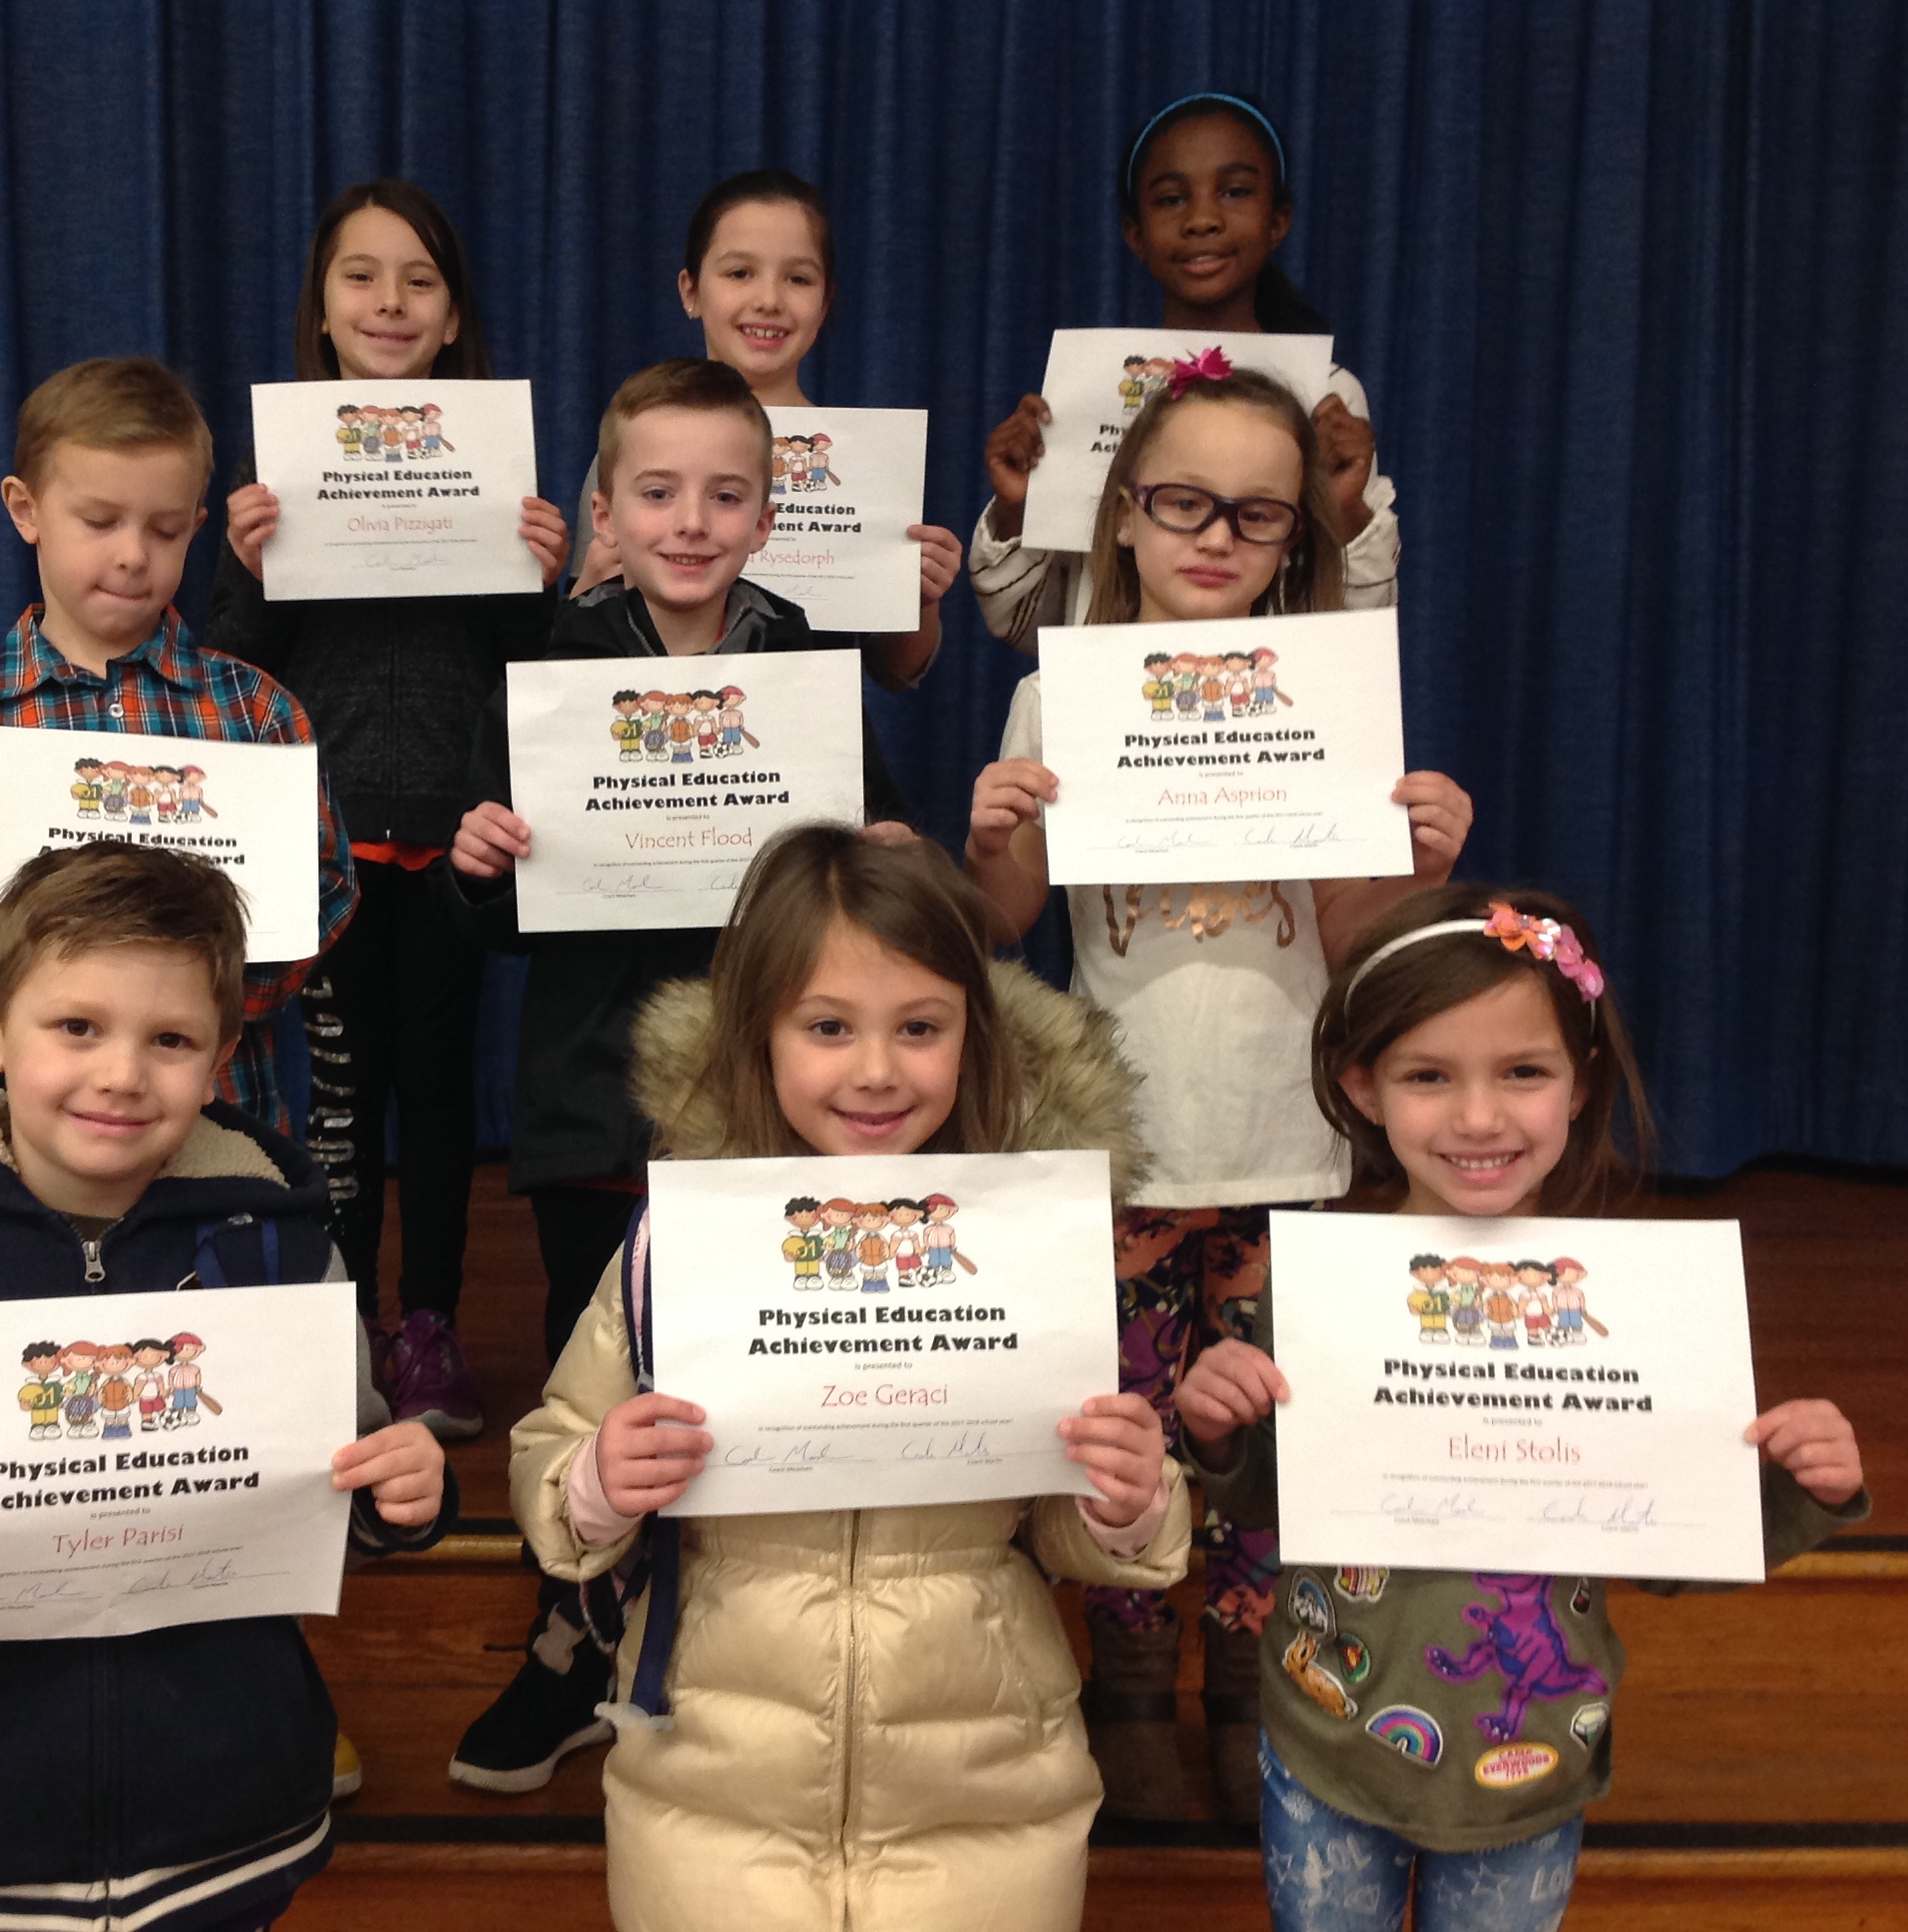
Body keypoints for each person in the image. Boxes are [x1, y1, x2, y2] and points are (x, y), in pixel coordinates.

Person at [0, 841, 453, 1931]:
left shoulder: (284, 1258)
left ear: (220, 1062)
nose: (121, 1072)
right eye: (77, 1026)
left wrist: (400, 1492)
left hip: (227, 1815)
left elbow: (340, 1491)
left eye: (169, 1039)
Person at [512, 825, 1190, 1931]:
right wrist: (594, 1477)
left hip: (986, 1798)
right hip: (711, 1801)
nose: (877, 1069)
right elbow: (551, 1460)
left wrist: (1127, 1502)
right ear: (757, 1036)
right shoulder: (671, 1249)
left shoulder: (1029, 1252)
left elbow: (1065, 1526)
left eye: (920, 1028)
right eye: (828, 1027)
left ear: (974, 1037)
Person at [963, 364, 1473, 1821]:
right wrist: (996, 834)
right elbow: (1001, 924)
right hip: (1122, 1154)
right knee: (1128, 1429)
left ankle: (1253, 1684)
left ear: (1295, 543)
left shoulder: (1326, 698)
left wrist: (1422, 863)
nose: (1215, 536)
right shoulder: (1050, 694)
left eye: (1257, 516)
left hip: (1288, 1150)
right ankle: (1129, 1686)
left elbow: (1366, 935)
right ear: (1123, 515)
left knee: (1264, 1429)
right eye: (1183, 501)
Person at [1178, 884, 1868, 1929]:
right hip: (1329, 1739)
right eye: (1427, 1076)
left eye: (1524, 1072)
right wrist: (1220, 1430)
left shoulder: (1634, 1309)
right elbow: (1285, 1494)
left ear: (1581, 1084)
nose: (1478, 1117)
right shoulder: (1326, 1286)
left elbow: (1673, 1548)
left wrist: (1791, 1487)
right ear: (1364, 1087)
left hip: (1531, 1758)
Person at [444, 358, 919, 1794]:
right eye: (659, 492)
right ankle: (571, 1639)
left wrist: (887, 861)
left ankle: (728, 1629)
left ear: (772, 514)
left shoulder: (806, 671)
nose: (692, 520)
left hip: (775, 1107)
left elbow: (868, 874)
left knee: (759, 1372)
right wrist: (479, 868)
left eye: (727, 493)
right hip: (601, 1099)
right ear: (607, 508)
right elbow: (501, 911)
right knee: (605, 1378)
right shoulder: (551, 664)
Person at [208, 181, 570, 1439]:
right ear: (322, 306)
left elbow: (535, 671)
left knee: (439, 1095)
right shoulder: (285, 482)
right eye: (361, 277)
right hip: (330, 846)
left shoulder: (492, 473)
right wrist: (249, 570)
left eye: (418, 279)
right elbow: (229, 672)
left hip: (455, 847)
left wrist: (542, 579)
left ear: (454, 311)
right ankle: (347, 1323)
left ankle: (430, 1328)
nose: (389, 302)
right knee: (345, 1102)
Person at [0, 355, 357, 1136]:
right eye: (100, 522)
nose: (134, 554)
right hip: (22, 1119)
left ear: (197, 528)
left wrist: (203, 1004)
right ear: (26, 509)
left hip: (218, 1114)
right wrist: (31, 1007)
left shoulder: (259, 713)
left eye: (164, 530)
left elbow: (325, 889)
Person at [973, 91, 1402, 649]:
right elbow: (1025, 628)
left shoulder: (1325, 397)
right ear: (1135, 233)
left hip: (1266, 725)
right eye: (1172, 199)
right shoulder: (1089, 391)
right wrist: (1016, 508)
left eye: (1236, 192)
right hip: (1107, 717)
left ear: (1279, 220)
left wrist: (1346, 511)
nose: (1202, 219)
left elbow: (1356, 641)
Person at [567, 169, 961, 688]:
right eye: (739, 273)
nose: (769, 300)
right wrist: (593, 586)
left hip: (808, 745)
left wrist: (921, 597)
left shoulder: (863, 465)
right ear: (690, 290)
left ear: (825, 302)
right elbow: (572, 657)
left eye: (798, 279)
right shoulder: (632, 451)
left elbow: (897, 671)